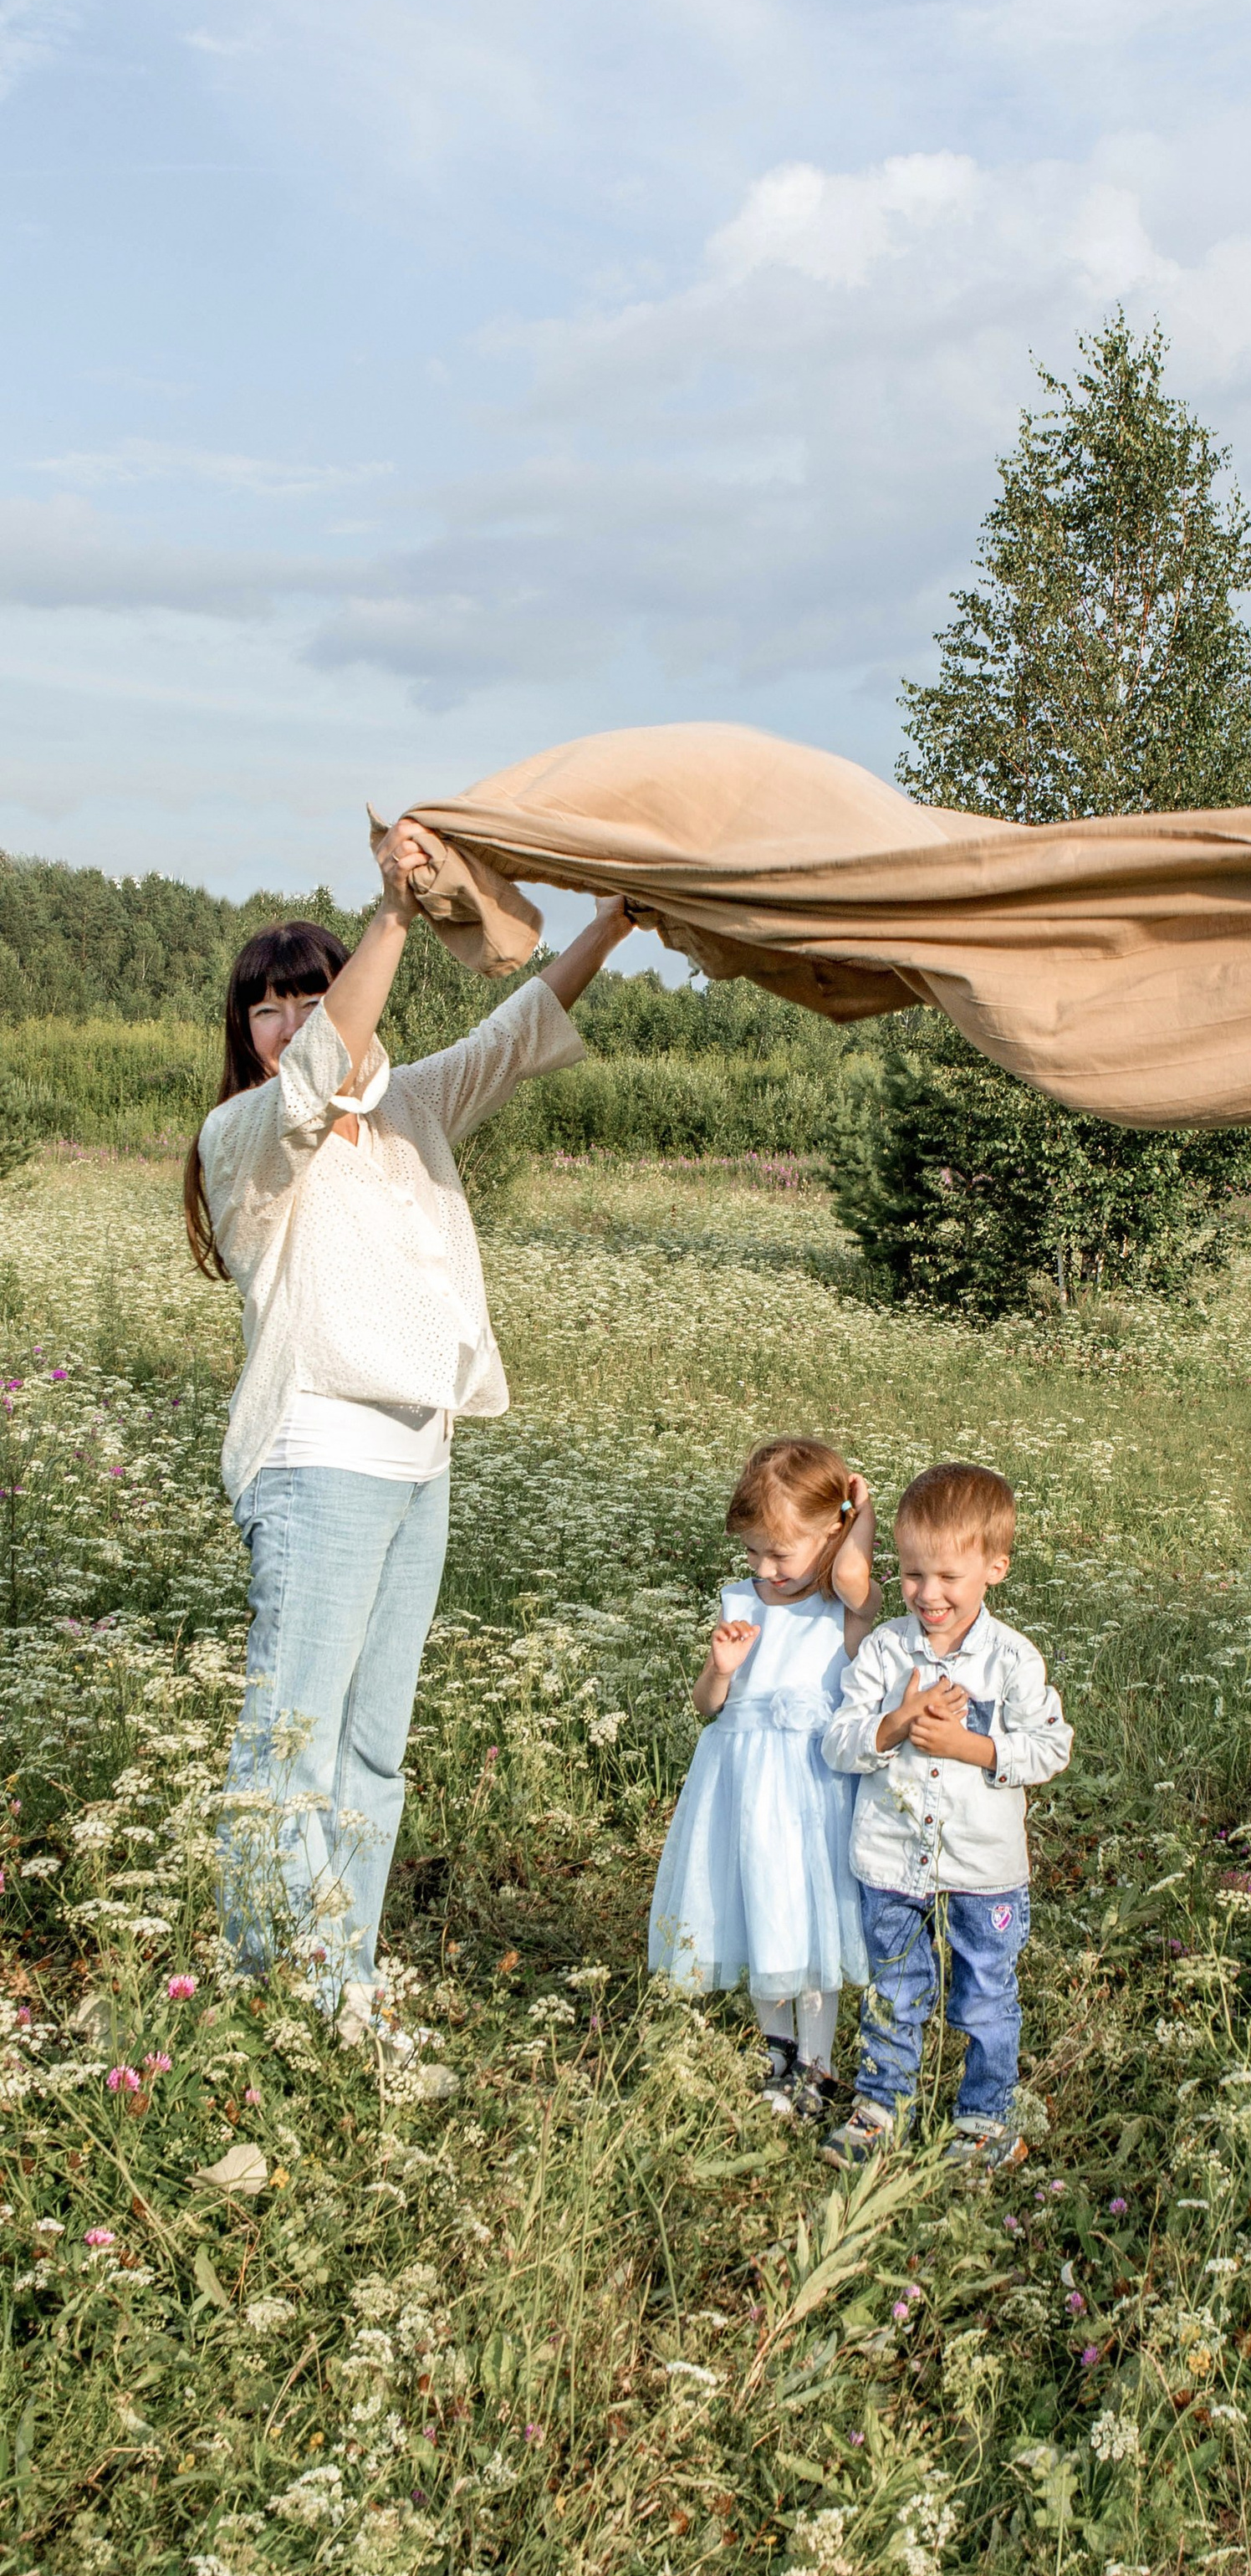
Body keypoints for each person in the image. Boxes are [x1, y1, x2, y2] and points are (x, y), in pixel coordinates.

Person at [189, 825, 634, 2032]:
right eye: (268, 1007)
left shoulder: (410, 1110)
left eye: (306, 996)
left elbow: (514, 1033)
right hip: (318, 1463)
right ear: (249, 1035)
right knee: (292, 1746)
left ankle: (342, 1989)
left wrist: (616, 920)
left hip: (416, 1464)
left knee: (373, 1750)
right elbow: (323, 1065)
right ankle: (264, 1999)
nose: (290, 1019)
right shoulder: (245, 1140)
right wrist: (390, 912)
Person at [818, 1462, 1072, 2174]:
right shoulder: (885, 1651)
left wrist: (971, 1746)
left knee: (986, 1992)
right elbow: (840, 1740)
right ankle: (881, 2106)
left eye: (947, 1578)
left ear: (995, 1568)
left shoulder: (1012, 1659)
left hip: (982, 1866)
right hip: (894, 1859)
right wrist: (893, 1723)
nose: (927, 1594)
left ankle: (985, 2115)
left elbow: (1052, 1745)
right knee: (894, 1985)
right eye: (911, 1575)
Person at [647, 1437, 879, 2117]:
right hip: (742, 1789)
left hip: (812, 1792)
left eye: (780, 1552)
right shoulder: (739, 1602)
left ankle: (818, 2061)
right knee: (758, 1912)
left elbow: (858, 1581)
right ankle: (775, 2049)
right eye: (753, 1551)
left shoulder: (845, 1609)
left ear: (832, 1533)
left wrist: (858, 1519)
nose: (765, 1568)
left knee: (810, 1923)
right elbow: (708, 1706)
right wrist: (720, 1667)